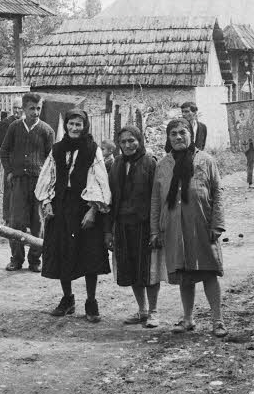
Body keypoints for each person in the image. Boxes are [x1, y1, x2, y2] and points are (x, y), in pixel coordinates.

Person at [150, 119, 226, 337]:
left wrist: (217, 224)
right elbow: (156, 198)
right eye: (173, 134)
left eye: (182, 132)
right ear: (168, 138)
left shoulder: (206, 160)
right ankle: (188, 319)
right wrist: (155, 230)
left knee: (209, 271)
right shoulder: (163, 165)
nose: (178, 137)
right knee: (184, 274)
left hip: (201, 224)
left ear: (191, 134)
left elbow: (218, 192)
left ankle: (217, 320)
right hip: (174, 226)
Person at [37, 109, 112, 322]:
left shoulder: (92, 150)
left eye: (79, 124)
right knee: (62, 252)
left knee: (89, 253)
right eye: (71, 124)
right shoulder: (58, 149)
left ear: (85, 126)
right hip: (61, 206)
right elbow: (47, 176)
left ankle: (91, 301)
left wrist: (93, 209)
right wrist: (47, 202)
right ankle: (67, 299)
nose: (74, 128)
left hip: (84, 206)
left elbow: (100, 181)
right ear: (66, 125)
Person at [108, 125, 161, 327]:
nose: (128, 145)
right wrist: (108, 230)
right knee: (131, 269)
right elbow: (111, 198)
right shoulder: (117, 164)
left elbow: (157, 198)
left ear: (139, 140)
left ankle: (154, 311)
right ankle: (142, 311)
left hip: (145, 224)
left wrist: (156, 229)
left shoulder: (150, 163)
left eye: (132, 140)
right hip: (122, 224)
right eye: (123, 142)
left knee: (148, 270)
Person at [0, 91, 54, 272]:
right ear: (23, 109)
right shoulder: (15, 127)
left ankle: (35, 260)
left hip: (39, 182)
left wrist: (46, 180)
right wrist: (9, 171)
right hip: (19, 181)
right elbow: (4, 151)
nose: (36, 112)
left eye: (38, 108)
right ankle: (16, 259)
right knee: (17, 222)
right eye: (32, 109)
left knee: (38, 222)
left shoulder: (47, 130)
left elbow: (50, 158)